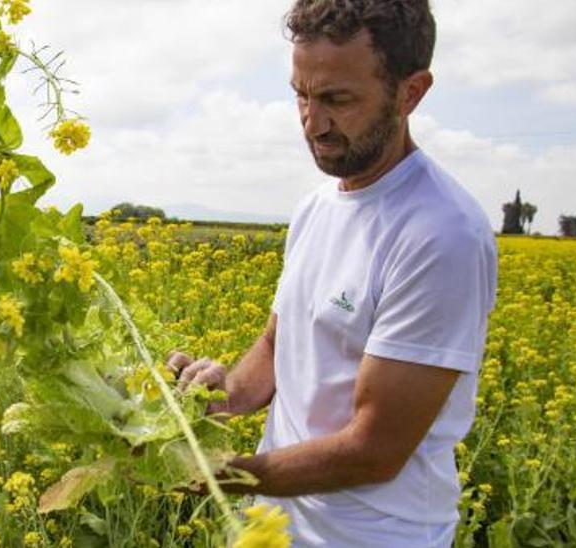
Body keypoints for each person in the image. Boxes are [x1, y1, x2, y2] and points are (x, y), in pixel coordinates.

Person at [169, 0, 497, 546]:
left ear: (411, 92)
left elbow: (375, 450)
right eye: (301, 94)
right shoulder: (317, 208)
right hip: (275, 526)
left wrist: (220, 475)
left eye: (337, 100)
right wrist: (210, 404)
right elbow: (280, 346)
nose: (312, 123)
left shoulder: (441, 235)